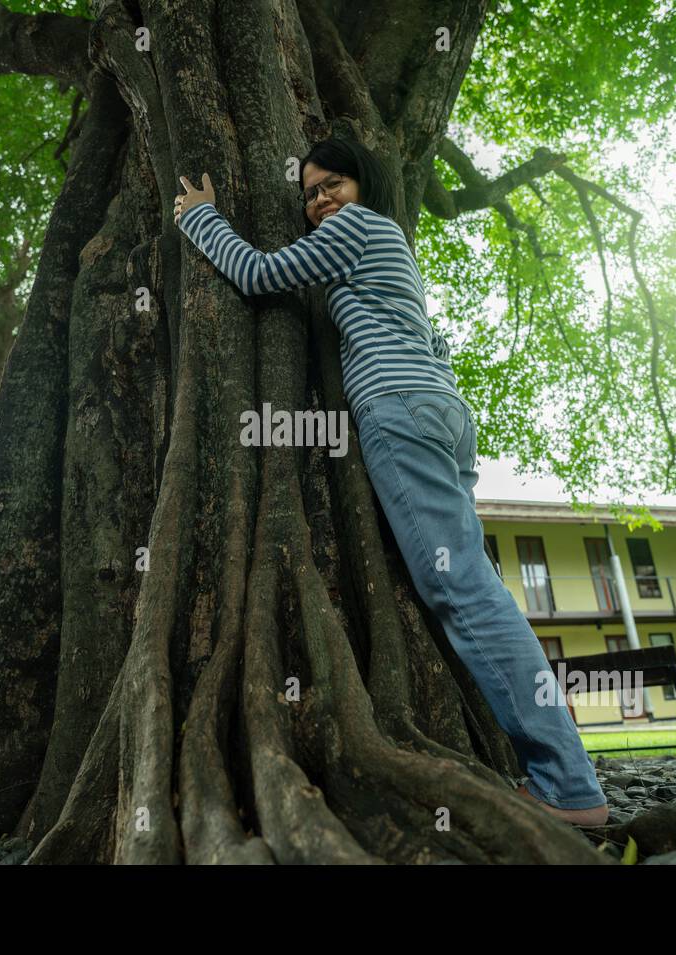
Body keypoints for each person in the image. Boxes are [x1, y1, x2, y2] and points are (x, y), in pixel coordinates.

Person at [174, 137, 608, 827]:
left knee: (462, 589)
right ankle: (564, 774)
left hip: (399, 407)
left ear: (362, 186)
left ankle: (569, 787)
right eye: (310, 192)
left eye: (332, 184)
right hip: (441, 408)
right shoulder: (393, 247)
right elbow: (431, 343)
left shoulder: (354, 227)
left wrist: (200, 217)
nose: (319, 200)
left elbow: (258, 276)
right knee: (475, 582)